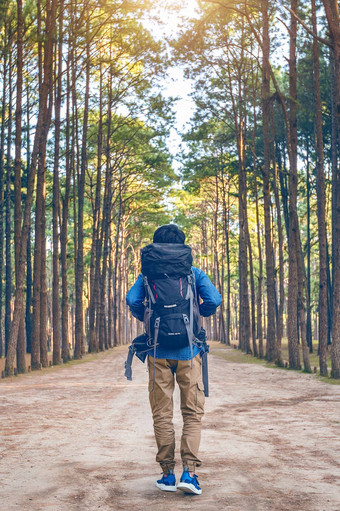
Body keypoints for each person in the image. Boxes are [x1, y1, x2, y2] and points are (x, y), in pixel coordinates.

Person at [126, 224, 221, 495]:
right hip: (189, 352)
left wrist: (144, 317)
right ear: (181, 245)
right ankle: (189, 474)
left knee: (162, 414)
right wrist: (199, 313)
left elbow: (132, 299)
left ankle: (167, 475)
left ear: (155, 245)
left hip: (156, 352)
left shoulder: (147, 274)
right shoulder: (193, 273)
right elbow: (214, 299)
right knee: (192, 414)